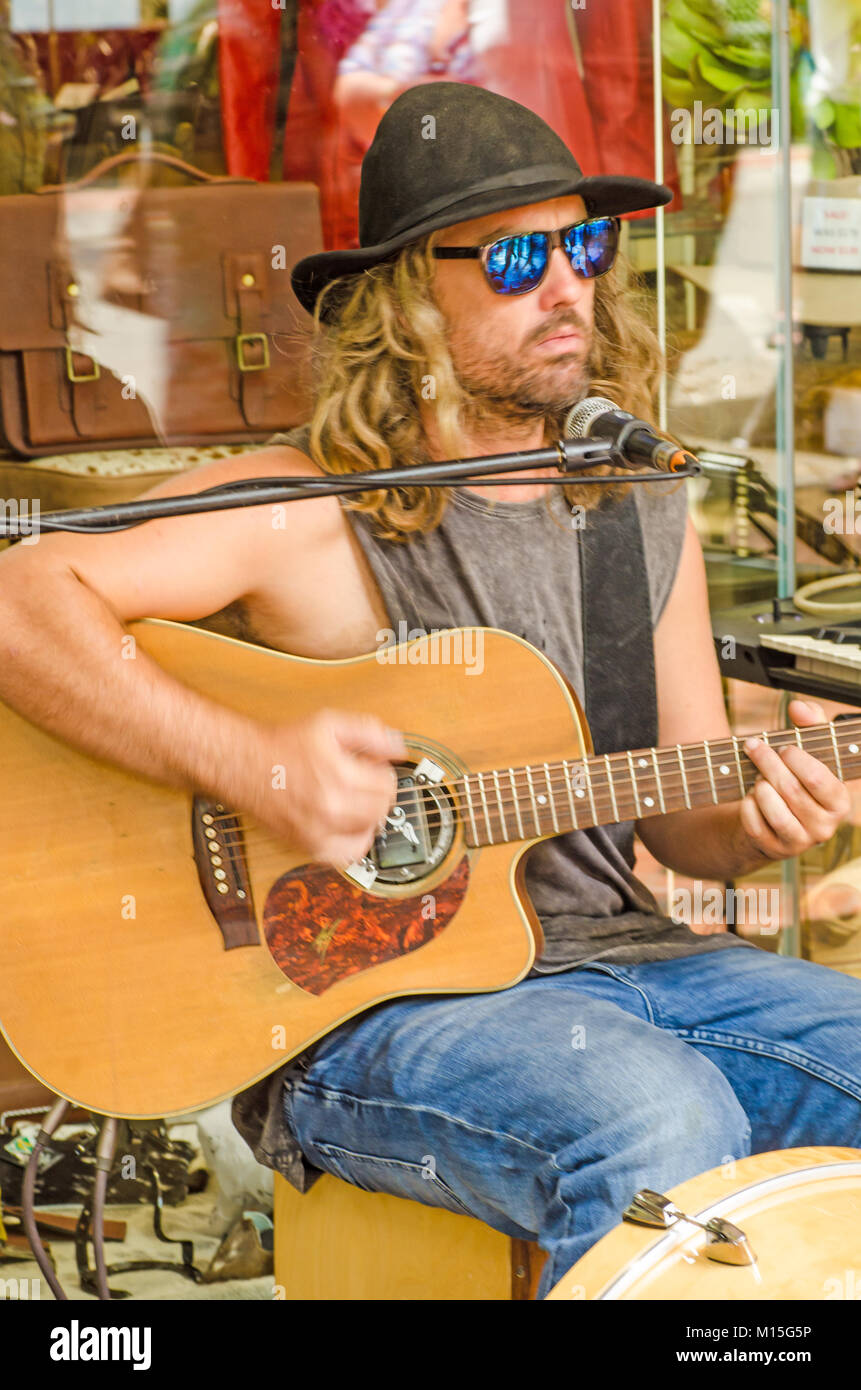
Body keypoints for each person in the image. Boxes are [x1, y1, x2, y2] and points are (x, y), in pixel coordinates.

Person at [1, 83, 859, 1300]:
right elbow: (21, 602)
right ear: (407, 292)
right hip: (360, 1010)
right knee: (657, 1123)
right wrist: (261, 768)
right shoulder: (312, 505)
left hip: (637, 961)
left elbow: (685, 819)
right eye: (516, 256)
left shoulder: (632, 504)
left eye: (587, 245)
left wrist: (765, 814)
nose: (569, 285)